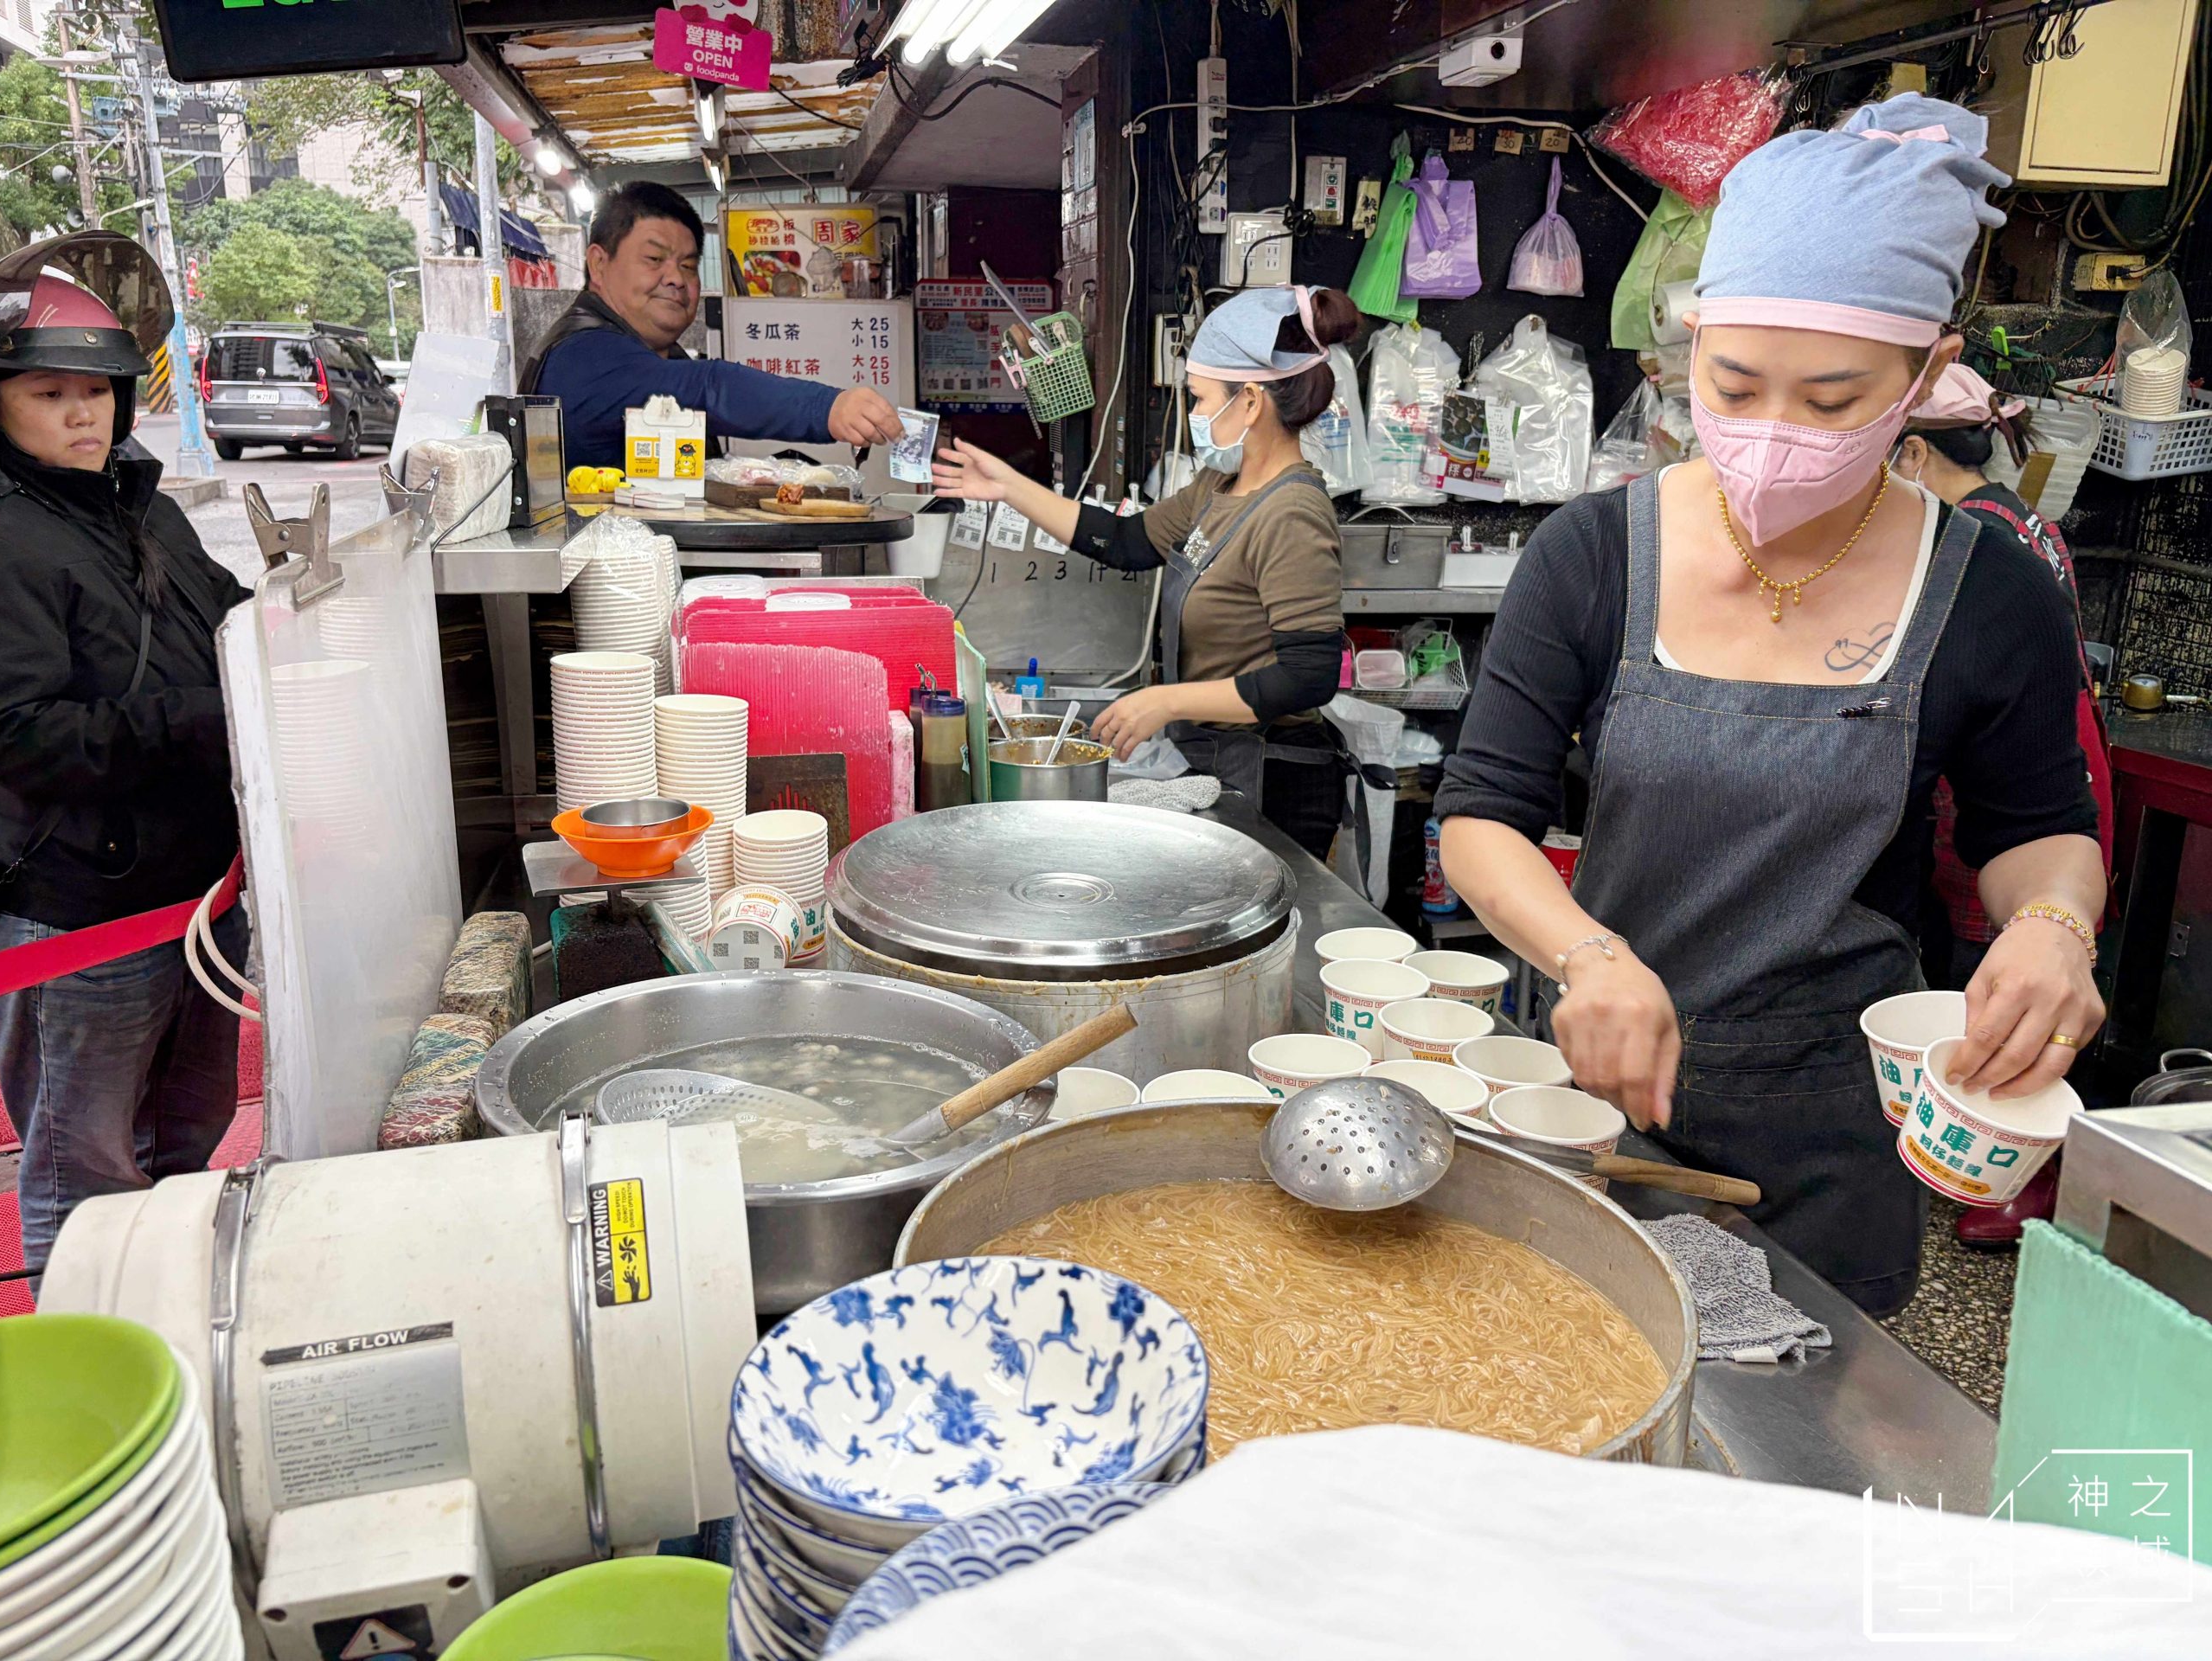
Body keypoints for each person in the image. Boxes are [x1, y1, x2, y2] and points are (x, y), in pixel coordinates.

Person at [1435, 96, 2105, 1316]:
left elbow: (2035, 830)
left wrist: (2054, 929)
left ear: (1928, 374)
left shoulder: (1989, 593)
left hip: (1829, 1129)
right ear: (1688, 350)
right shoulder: (1593, 556)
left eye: (1834, 399)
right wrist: (1588, 954)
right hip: (1588, 1091)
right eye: (1733, 385)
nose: (1772, 433)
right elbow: (1482, 815)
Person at [0, 232, 253, 1280]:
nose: (80, 414)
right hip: (82, 913)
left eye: (97, 391)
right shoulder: (10, 537)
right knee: (83, 1171)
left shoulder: (138, 506)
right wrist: (207, 717)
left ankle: (176, 1319)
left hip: (194, 892)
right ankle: (90, 1363)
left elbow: (220, 618)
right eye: (48, 392)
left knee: (184, 1140)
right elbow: (20, 735)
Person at [932, 285, 1362, 858]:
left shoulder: (1293, 512)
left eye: (1203, 399)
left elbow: (1308, 676)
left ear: (1252, 402)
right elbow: (1125, 542)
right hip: (1210, 757)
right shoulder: (1217, 487)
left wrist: (1167, 700)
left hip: (1273, 778)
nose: (1197, 416)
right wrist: (1008, 487)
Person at [1895, 374, 2116, 1248]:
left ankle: (2010, 1163)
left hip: (2007, 793)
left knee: (2004, 991)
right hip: (2068, 771)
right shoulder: (2028, 520)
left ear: (1911, 451)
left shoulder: (1971, 547)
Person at [524, 182, 903, 468]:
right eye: (654, 259)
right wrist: (828, 408)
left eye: (688, 266)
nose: (675, 278)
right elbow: (709, 386)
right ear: (599, 264)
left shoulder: (653, 353)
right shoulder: (585, 354)